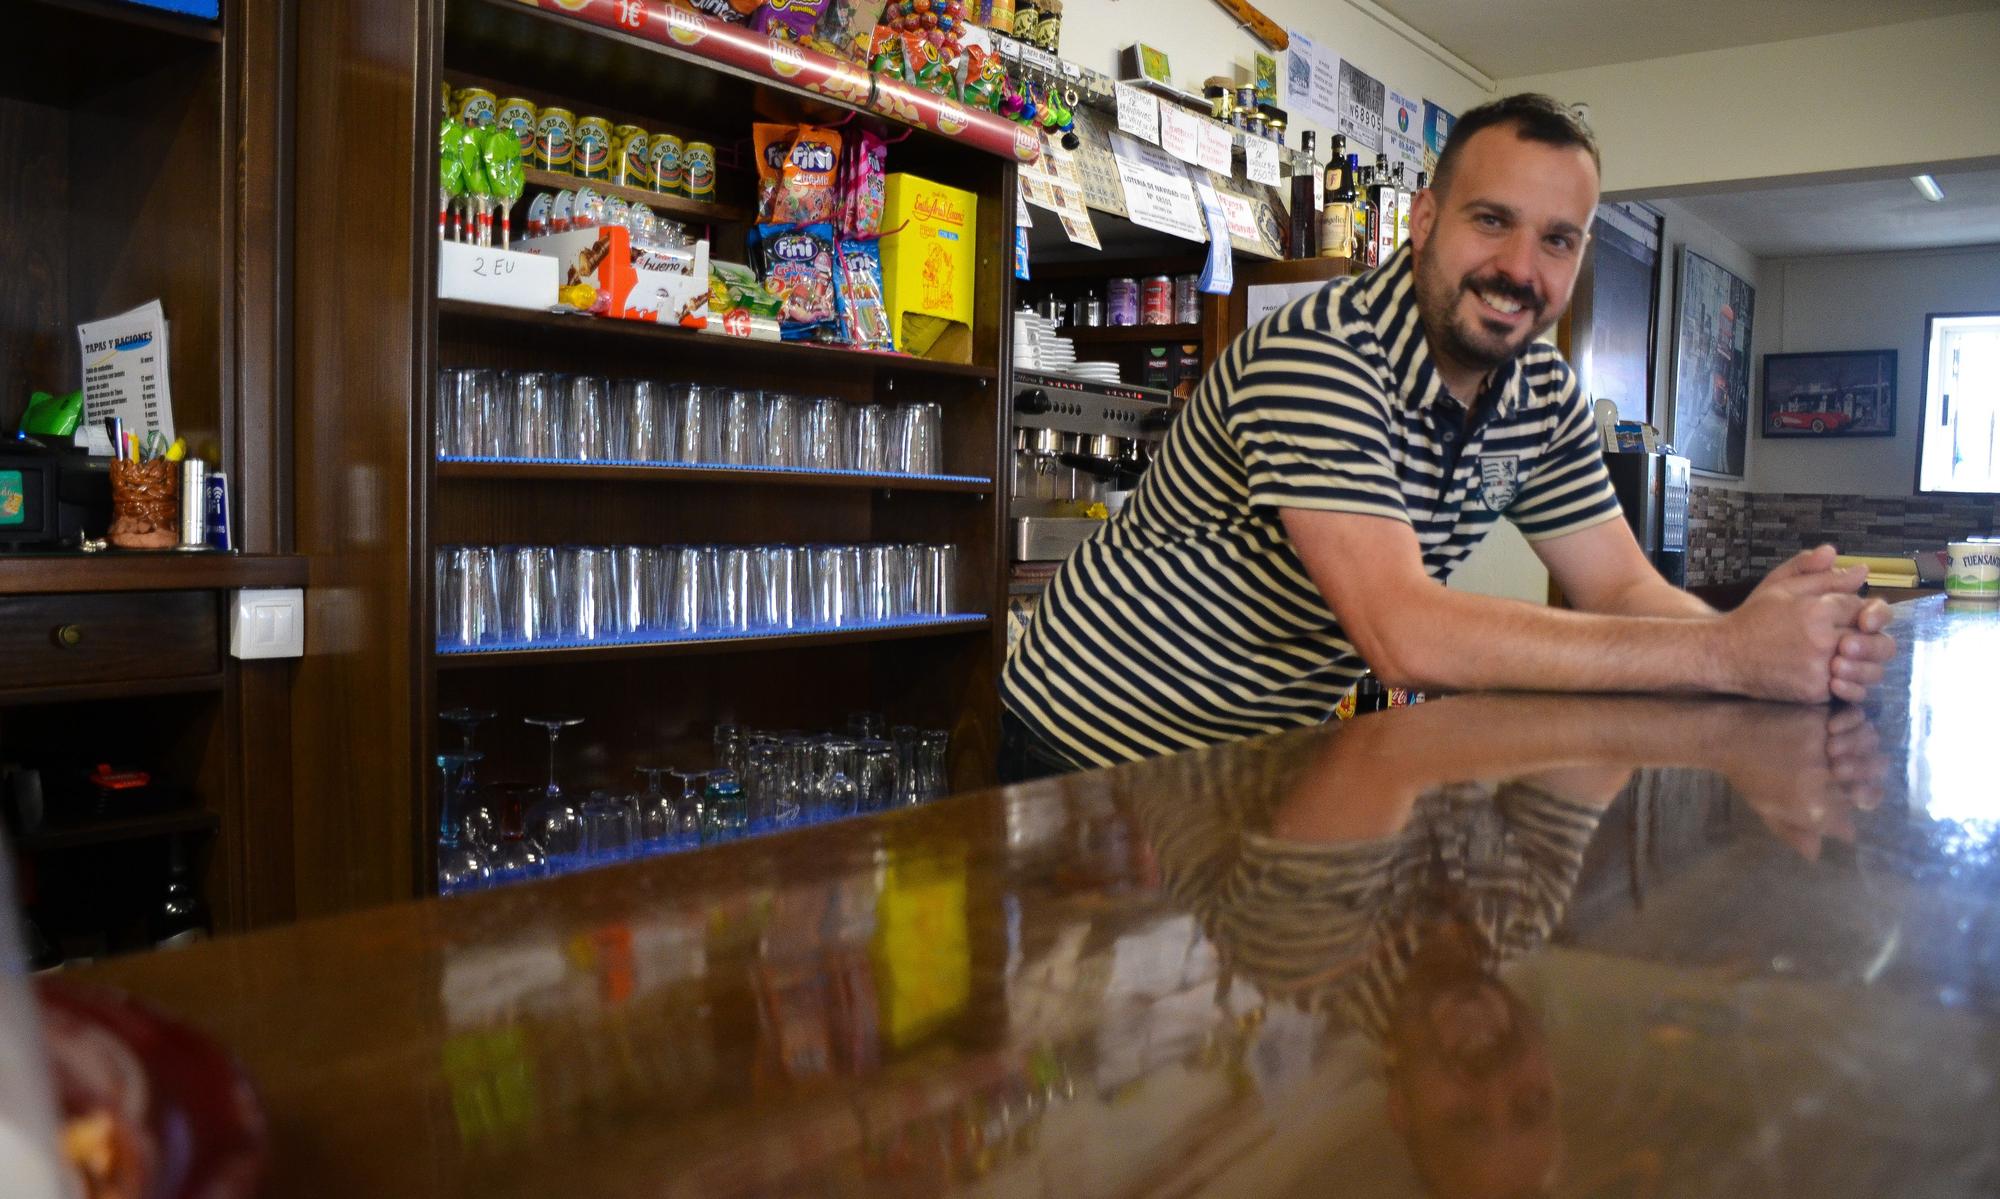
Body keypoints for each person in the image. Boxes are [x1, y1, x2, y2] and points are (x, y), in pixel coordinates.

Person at [1000, 93, 1895, 781]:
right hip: (1083, 744)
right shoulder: (1323, 353)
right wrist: (1729, 654)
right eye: (1492, 220)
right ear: (1425, 220)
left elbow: (1621, 585)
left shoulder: (1543, 393)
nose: (1519, 269)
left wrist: (1770, 649)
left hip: (1245, 762)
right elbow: (1405, 631)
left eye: (1558, 240)